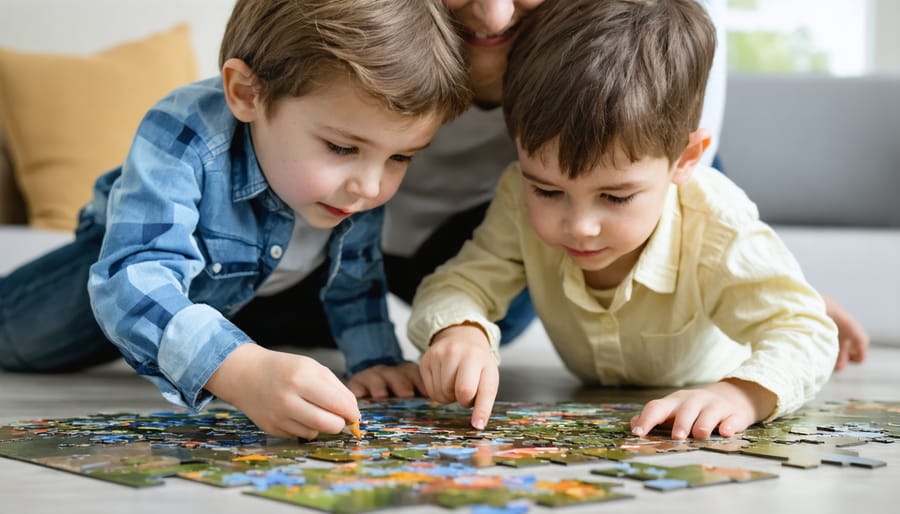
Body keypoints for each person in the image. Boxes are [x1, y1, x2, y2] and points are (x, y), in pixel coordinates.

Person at [0, 0, 471, 439]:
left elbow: (354, 276)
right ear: (246, 93)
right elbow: (134, 278)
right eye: (343, 148)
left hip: (247, 290)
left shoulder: (355, 183)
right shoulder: (184, 127)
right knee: (22, 343)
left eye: (401, 157)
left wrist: (376, 359)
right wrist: (239, 369)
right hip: (117, 273)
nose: (371, 187)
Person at [407, 0, 839, 440]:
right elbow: (455, 284)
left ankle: (788, 285)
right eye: (548, 190)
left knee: (790, 309)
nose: (580, 225)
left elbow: (805, 332)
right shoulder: (517, 197)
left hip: (708, 372)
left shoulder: (716, 221)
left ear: (685, 159)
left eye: (615, 196)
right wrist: (460, 332)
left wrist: (741, 395)